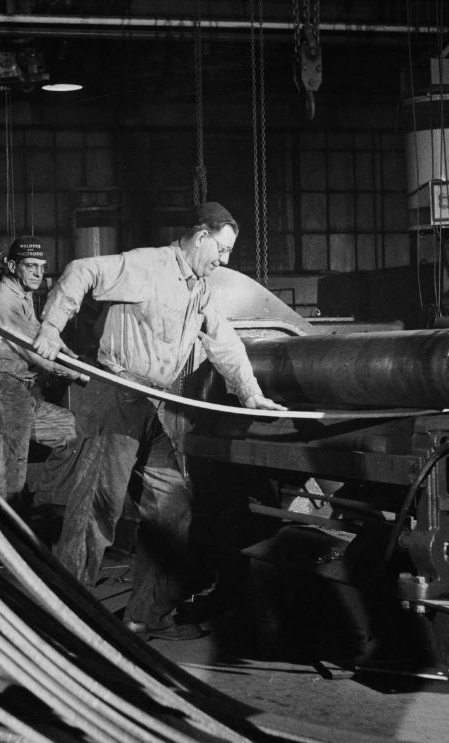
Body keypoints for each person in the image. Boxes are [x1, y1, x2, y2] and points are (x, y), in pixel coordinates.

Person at [33, 201, 284, 640]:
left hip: (157, 403)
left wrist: (251, 393)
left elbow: (222, 340)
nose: (223, 261)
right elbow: (81, 270)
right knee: (97, 508)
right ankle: (63, 618)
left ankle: (145, 614)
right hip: (117, 395)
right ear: (201, 236)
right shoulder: (147, 265)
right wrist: (51, 328)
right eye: (220, 251)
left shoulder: (199, 287)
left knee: (172, 509)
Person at [0, 235, 81, 525]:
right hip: (0, 386)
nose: (37, 272)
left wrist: (76, 359)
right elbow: (36, 352)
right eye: (30, 265)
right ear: (11, 266)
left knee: (72, 432)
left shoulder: (23, 299)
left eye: (41, 266)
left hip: (17, 391)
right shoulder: (3, 301)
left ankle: (42, 503)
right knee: (5, 476)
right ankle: (0, 556)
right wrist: (77, 374)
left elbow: (45, 337)